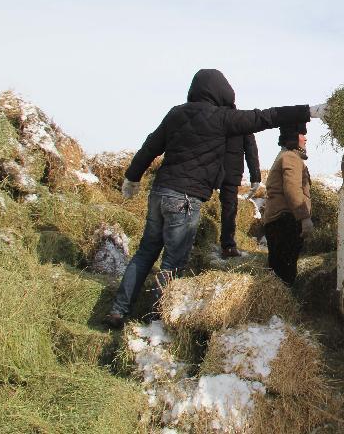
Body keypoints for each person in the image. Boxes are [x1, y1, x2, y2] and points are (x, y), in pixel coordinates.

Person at [105, 69, 327, 328]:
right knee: (174, 261)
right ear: (222, 93)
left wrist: (132, 177)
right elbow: (265, 117)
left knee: (144, 253)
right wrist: (308, 111)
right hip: (185, 200)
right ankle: (156, 318)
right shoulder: (220, 117)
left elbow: (150, 146)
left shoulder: (176, 113)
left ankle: (119, 311)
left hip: (160, 192)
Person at [261, 121, 312, 284]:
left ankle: (276, 305)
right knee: (285, 274)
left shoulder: (285, 156)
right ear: (293, 138)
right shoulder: (290, 157)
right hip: (285, 221)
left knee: (278, 271)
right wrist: (304, 218)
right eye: (302, 135)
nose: (305, 139)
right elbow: (292, 190)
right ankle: (281, 307)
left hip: (278, 221)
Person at [219, 128, 260, 259]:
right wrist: (255, 176)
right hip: (230, 173)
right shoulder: (242, 121)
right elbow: (251, 150)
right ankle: (228, 246)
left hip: (208, 169)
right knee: (229, 208)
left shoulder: (209, 115)